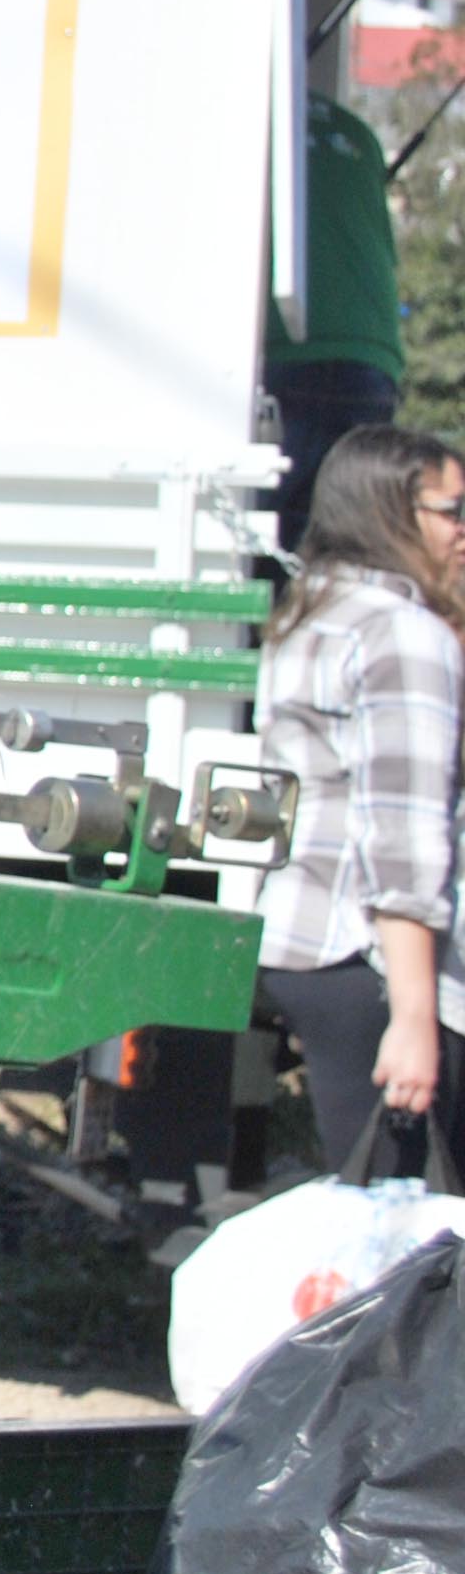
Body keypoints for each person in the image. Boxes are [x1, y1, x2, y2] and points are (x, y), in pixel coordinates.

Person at [254, 422, 465, 1182]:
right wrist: (414, 1018)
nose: (464, 531)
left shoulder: (310, 617)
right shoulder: (403, 634)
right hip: (375, 959)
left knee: (374, 1201)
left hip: (307, 944)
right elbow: (402, 836)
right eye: (452, 511)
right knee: (408, 1220)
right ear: (390, 513)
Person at [266, 91, 407, 548]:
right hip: (370, 352)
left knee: (270, 530)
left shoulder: (246, 114)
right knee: (346, 534)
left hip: (290, 343)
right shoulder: (354, 131)